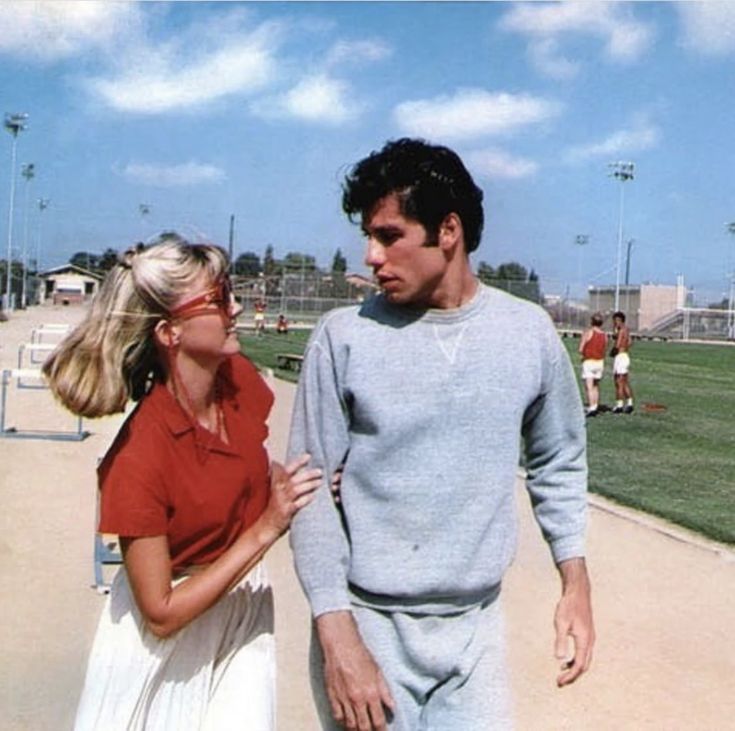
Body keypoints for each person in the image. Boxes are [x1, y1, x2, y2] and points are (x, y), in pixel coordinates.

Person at [288, 139, 594, 730]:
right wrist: (336, 634)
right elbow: (306, 494)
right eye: (369, 237)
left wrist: (575, 584)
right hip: (369, 627)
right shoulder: (342, 336)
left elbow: (559, 460)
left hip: (476, 631)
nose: (371, 256)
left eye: (388, 235)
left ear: (447, 230)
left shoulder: (528, 333)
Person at [43, 234, 321, 730]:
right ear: (169, 332)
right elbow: (162, 613)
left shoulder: (238, 382)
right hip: (164, 640)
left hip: (242, 611)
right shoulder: (138, 456)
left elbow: (235, 474)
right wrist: (266, 527)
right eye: (217, 300)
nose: (235, 307)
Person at [578, 312, 607, 417]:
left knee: (589, 386)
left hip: (589, 361)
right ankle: (595, 406)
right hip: (600, 362)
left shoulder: (588, 332)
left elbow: (581, 348)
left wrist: (583, 353)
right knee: (596, 385)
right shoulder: (604, 335)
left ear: (592, 321)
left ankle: (591, 407)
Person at [611, 310, 634, 414]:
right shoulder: (626, 330)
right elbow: (630, 342)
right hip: (625, 356)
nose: (614, 323)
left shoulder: (621, 330)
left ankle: (619, 406)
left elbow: (618, 344)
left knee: (618, 382)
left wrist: (613, 352)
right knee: (624, 382)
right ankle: (629, 404)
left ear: (619, 320)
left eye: (616, 320)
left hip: (620, 357)